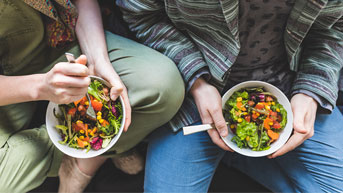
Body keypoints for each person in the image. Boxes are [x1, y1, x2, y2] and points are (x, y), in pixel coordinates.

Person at [117, 0, 343, 192]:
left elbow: (333, 26)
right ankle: (238, 153)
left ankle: (238, 155)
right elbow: (142, 14)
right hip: (191, 90)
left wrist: (312, 90)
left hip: (288, 85)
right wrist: (197, 82)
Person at [0, 0, 184, 192]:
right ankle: (91, 149)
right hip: (7, 83)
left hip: (63, 41)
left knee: (163, 85)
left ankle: (84, 157)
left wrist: (98, 60)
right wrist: (39, 87)